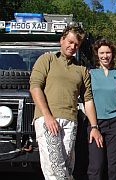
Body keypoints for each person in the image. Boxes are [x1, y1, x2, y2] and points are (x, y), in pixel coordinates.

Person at [29, 25, 103, 180]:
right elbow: (35, 87)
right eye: (69, 42)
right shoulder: (47, 59)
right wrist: (48, 116)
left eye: (76, 44)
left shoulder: (81, 69)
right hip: (48, 119)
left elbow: (87, 99)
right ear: (61, 40)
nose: (72, 46)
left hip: (70, 121)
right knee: (55, 167)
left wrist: (94, 127)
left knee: (68, 167)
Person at [87, 38, 116, 180]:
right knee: (96, 166)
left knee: (113, 166)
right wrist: (93, 126)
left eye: (108, 52)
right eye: (102, 53)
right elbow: (87, 99)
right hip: (96, 123)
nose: (105, 56)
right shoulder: (90, 74)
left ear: (112, 54)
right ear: (97, 54)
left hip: (115, 123)